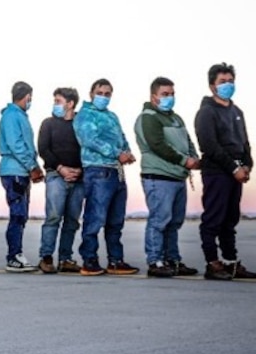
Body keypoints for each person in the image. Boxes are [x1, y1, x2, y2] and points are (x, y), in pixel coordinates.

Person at [134, 77, 201, 278]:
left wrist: (194, 157)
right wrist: (184, 161)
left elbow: (187, 140)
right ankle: (155, 261)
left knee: (174, 222)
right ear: (153, 96)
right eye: (165, 94)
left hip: (177, 177)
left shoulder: (175, 118)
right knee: (159, 220)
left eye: (172, 94)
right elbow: (157, 145)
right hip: (159, 176)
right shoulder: (148, 117)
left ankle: (173, 259)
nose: (169, 98)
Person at [194, 62, 254, 281]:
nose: (228, 85)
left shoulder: (237, 111)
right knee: (213, 219)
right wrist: (233, 168)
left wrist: (247, 165)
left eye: (230, 81)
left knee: (230, 220)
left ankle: (231, 262)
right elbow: (209, 145)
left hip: (236, 173)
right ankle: (212, 264)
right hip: (217, 172)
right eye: (222, 82)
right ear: (212, 86)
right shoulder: (206, 112)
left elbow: (245, 143)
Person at [72, 79, 138, 276]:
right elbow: (90, 140)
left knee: (115, 221)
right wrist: (116, 153)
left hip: (117, 172)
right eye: (100, 92)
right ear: (91, 93)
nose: (103, 96)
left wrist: (127, 152)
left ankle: (116, 260)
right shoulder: (85, 115)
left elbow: (122, 137)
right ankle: (89, 259)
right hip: (98, 171)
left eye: (107, 93)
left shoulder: (111, 116)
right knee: (95, 218)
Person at [37, 88, 84, 274]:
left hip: (79, 178)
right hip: (56, 175)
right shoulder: (48, 124)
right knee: (53, 217)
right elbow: (43, 149)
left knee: (72, 220)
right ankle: (46, 257)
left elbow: (87, 147)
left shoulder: (81, 124)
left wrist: (80, 170)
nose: (55, 104)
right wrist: (61, 169)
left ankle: (66, 258)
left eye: (58, 101)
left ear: (70, 103)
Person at [0, 81, 44, 272]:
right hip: (14, 171)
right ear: (27, 96)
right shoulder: (12, 116)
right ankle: (13, 256)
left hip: (20, 171)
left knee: (21, 215)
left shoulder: (18, 115)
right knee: (17, 215)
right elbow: (17, 145)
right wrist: (32, 166)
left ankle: (16, 254)